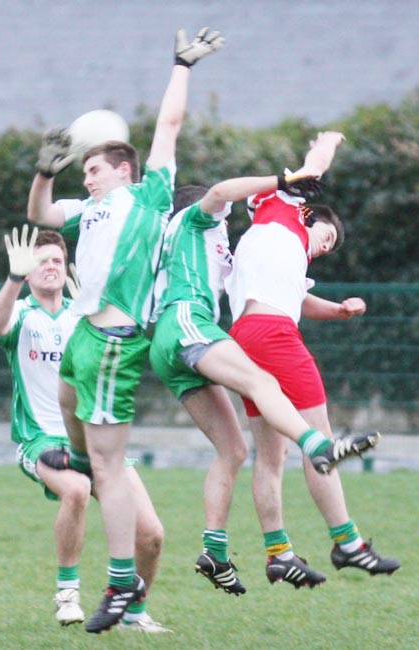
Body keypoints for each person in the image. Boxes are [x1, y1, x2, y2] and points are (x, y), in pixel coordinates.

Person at [26, 27, 224, 633]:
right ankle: (79, 457)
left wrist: (181, 66)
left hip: (115, 343)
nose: (85, 178)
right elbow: (41, 214)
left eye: (93, 169)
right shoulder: (90, 208)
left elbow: (167, 128)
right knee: (67, 404)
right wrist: (43, 172)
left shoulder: (147, 195)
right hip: (84, 338)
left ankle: (118, 590)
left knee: (111, 476)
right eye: (81, 170)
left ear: (124, 171)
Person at [149, 169, 380, 596]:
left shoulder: (220, 249)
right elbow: (220, 192)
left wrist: (336, 310)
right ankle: (319, 450)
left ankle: (218, 552)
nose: (228, 211)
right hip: (190, 326)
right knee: (262, 384)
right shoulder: (198, 220)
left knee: (235, 450)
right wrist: (281, 180)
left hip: (171, 345)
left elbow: (280, 287)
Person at [225, 131, 401, 586]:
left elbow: (303, 301)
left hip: (244, 336)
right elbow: (312, 168)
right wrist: (331, 142)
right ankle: (349, 545)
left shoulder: (274, 248)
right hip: (273, 335)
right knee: (320, 444)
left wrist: (339, 310)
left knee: (271, 454)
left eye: (331, 247)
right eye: (328, 236)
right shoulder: (287, 209)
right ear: (309, 216)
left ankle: (278, 552)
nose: (327, 245)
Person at [0, 226, 170, 633]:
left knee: (152, 536)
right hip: (42, 440)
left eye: (55, 261)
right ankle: (67, 593)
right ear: (28, 272)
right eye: (40, 262)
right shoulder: (20, 313)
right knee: (76, 489)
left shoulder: (83, 315)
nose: (49, 267)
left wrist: (97, 306)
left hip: (96, 439)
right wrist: (14, 279)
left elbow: (124, 343)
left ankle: (134, 616)